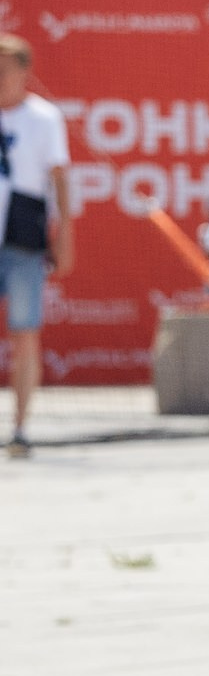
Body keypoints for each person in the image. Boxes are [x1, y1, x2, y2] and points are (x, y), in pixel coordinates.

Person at [0, 33, 74, 459]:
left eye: (6, 68)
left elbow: (59, 178)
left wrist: (65, 232)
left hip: (24, 230)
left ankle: (21, 427)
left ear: (24, 71)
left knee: (25, 330)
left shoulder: (43, 118)